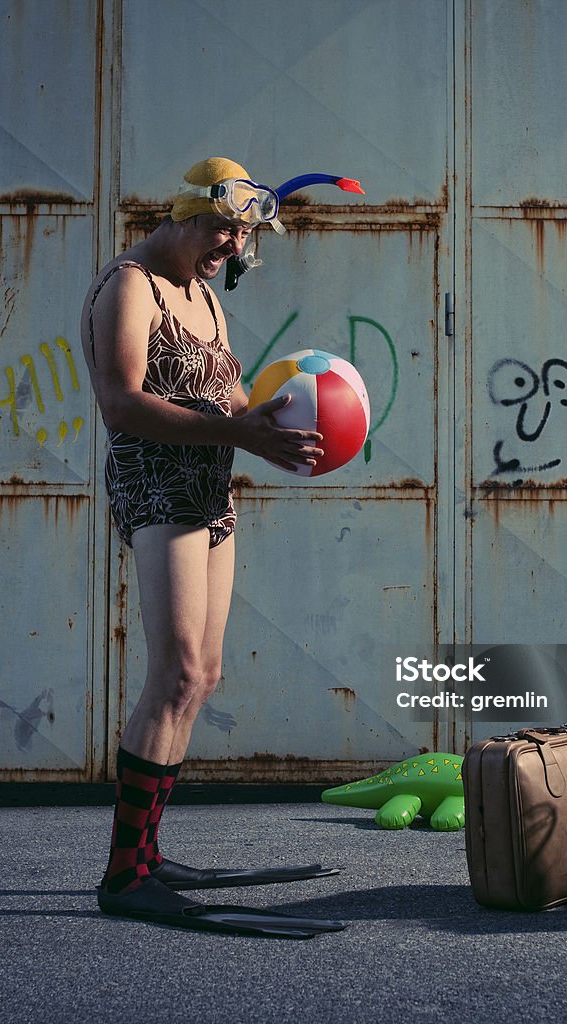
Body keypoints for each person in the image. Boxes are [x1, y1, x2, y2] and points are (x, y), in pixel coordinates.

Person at [80, 156, 341, 936]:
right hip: (157, 485)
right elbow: (122, 404)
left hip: (210, 490)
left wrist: (284, 419)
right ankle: (126, 874)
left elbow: (228, 393)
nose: (231, 244)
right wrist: (238, 432)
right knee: (176, 671)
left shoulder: (201, 293)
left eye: (243, 233)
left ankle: (151, 854)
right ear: (183, 214)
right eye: (223, 227)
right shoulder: (133, 284)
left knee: (205, 675)